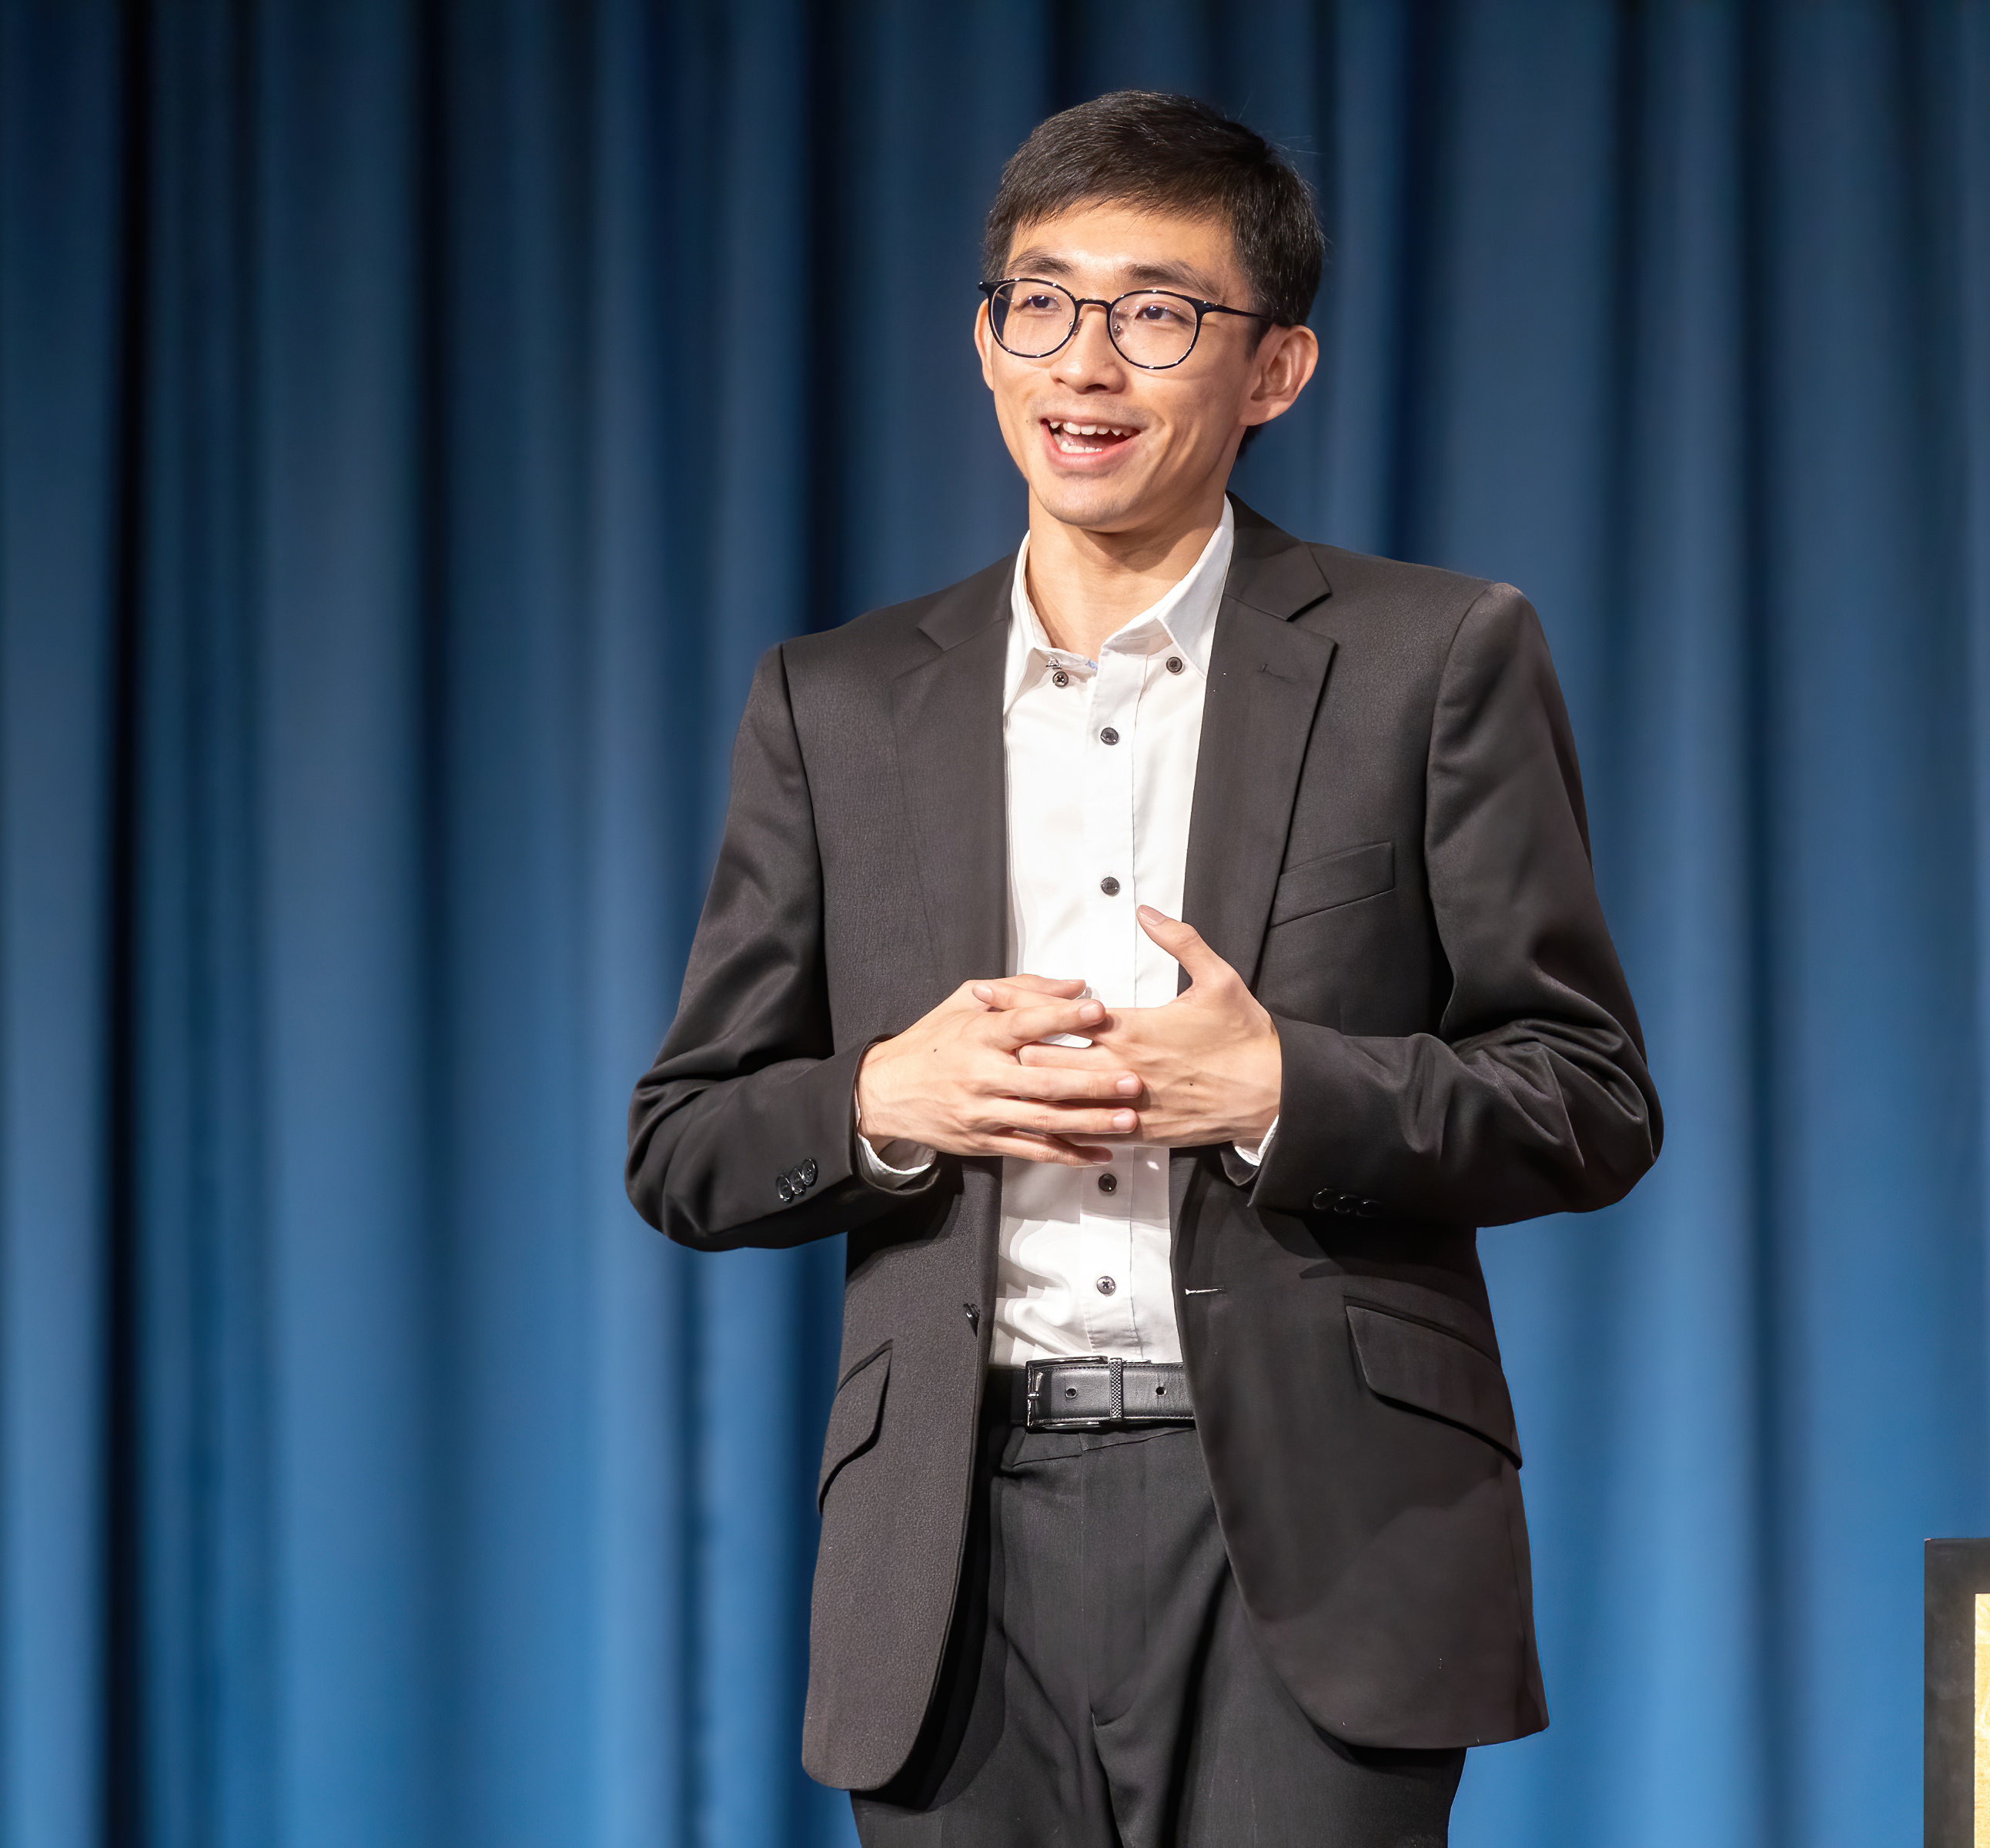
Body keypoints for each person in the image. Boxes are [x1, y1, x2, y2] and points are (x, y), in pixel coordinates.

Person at [627, 91, 1659, 1846]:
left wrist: (1282, 1091)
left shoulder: (1433, 657)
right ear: (985, 341)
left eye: (1158, 312)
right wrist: (886, 1101)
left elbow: (1586, 1096)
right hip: (951, 1545)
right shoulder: (841, 699)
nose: (1086, 363)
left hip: (1314, 1538)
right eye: (1044, 303)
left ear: (1275, 372)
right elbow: (686, 1147)